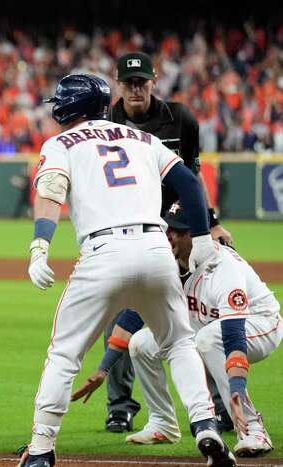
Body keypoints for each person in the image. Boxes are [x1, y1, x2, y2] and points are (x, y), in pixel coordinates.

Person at [17, 74, 237, 467]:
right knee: (179, 343)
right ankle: (205, 424)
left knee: (65, 354)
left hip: (103, 252)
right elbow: (187, 181)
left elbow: (50, 195)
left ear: (71, 106)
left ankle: (40, 449)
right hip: (156, 249)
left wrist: (39, 247)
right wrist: (202, 238)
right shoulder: (144, 139)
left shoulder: (59, 144)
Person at [78, 203, 281, 458]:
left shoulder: (222, 268)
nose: (169, 235)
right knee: (141, 344)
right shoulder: (168, 263)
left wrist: (237, 388)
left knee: (210, 339)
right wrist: (102, 370)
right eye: (169, 228)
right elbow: (132, 317)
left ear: (197, 235)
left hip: (259, 323)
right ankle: (162, 422)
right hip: (208, 324)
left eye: (179, 230)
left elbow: (233, 338)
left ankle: (253, 430)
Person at [103, 51, 234, 433]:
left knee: (196, 313)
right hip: (126, 229)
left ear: (154, 79)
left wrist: (209, 223)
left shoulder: (181, 119)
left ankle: (218, 405)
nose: (135, 88)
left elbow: (193, 178)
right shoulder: (105, 121)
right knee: (120, 311)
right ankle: (120, 406)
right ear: (118, 83)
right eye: (128, 82)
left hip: (175, 228)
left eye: (141, 81)